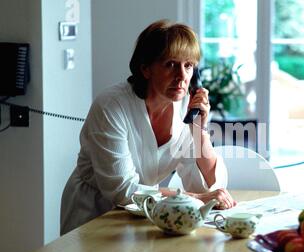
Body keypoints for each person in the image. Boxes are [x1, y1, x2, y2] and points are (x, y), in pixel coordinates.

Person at [60, 20, 236, 235]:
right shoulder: (111, 106)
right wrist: (196, 199)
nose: (182, 76)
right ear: (145, 68)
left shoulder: (186, 107)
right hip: (95, 212)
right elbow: (122, 189)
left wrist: (199, 129)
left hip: (144, 213)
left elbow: (208, 185)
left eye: (188, 65)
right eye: (170, 64)